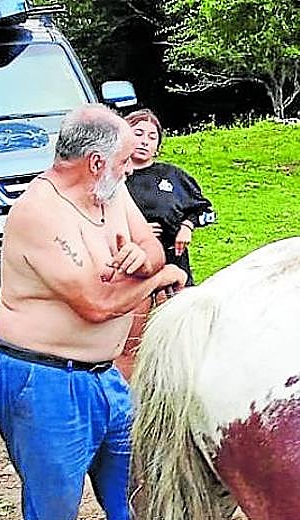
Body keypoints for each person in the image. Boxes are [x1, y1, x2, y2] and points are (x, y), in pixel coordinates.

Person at [0, 104, 185, 520]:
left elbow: (150, 244)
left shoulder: (111, 195)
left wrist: (145, 260)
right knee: (56, 494)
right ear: (95, 161)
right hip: (40, 377)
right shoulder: (39, 213)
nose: (129, 166)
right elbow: (95, 304)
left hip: (103, 374)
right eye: (120, 157)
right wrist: (160, 280)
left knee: (132, 479)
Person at [117, 108, 215, 377]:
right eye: (138, 134)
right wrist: (135, 232)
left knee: (178, 335)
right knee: (131, 340)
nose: (145, 141)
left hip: (173, 265)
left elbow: (206, 210)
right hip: (129, 271)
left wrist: (187, 226)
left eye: (152, 136)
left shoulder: (172, 176)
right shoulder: (114, 178)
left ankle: (179, 382)